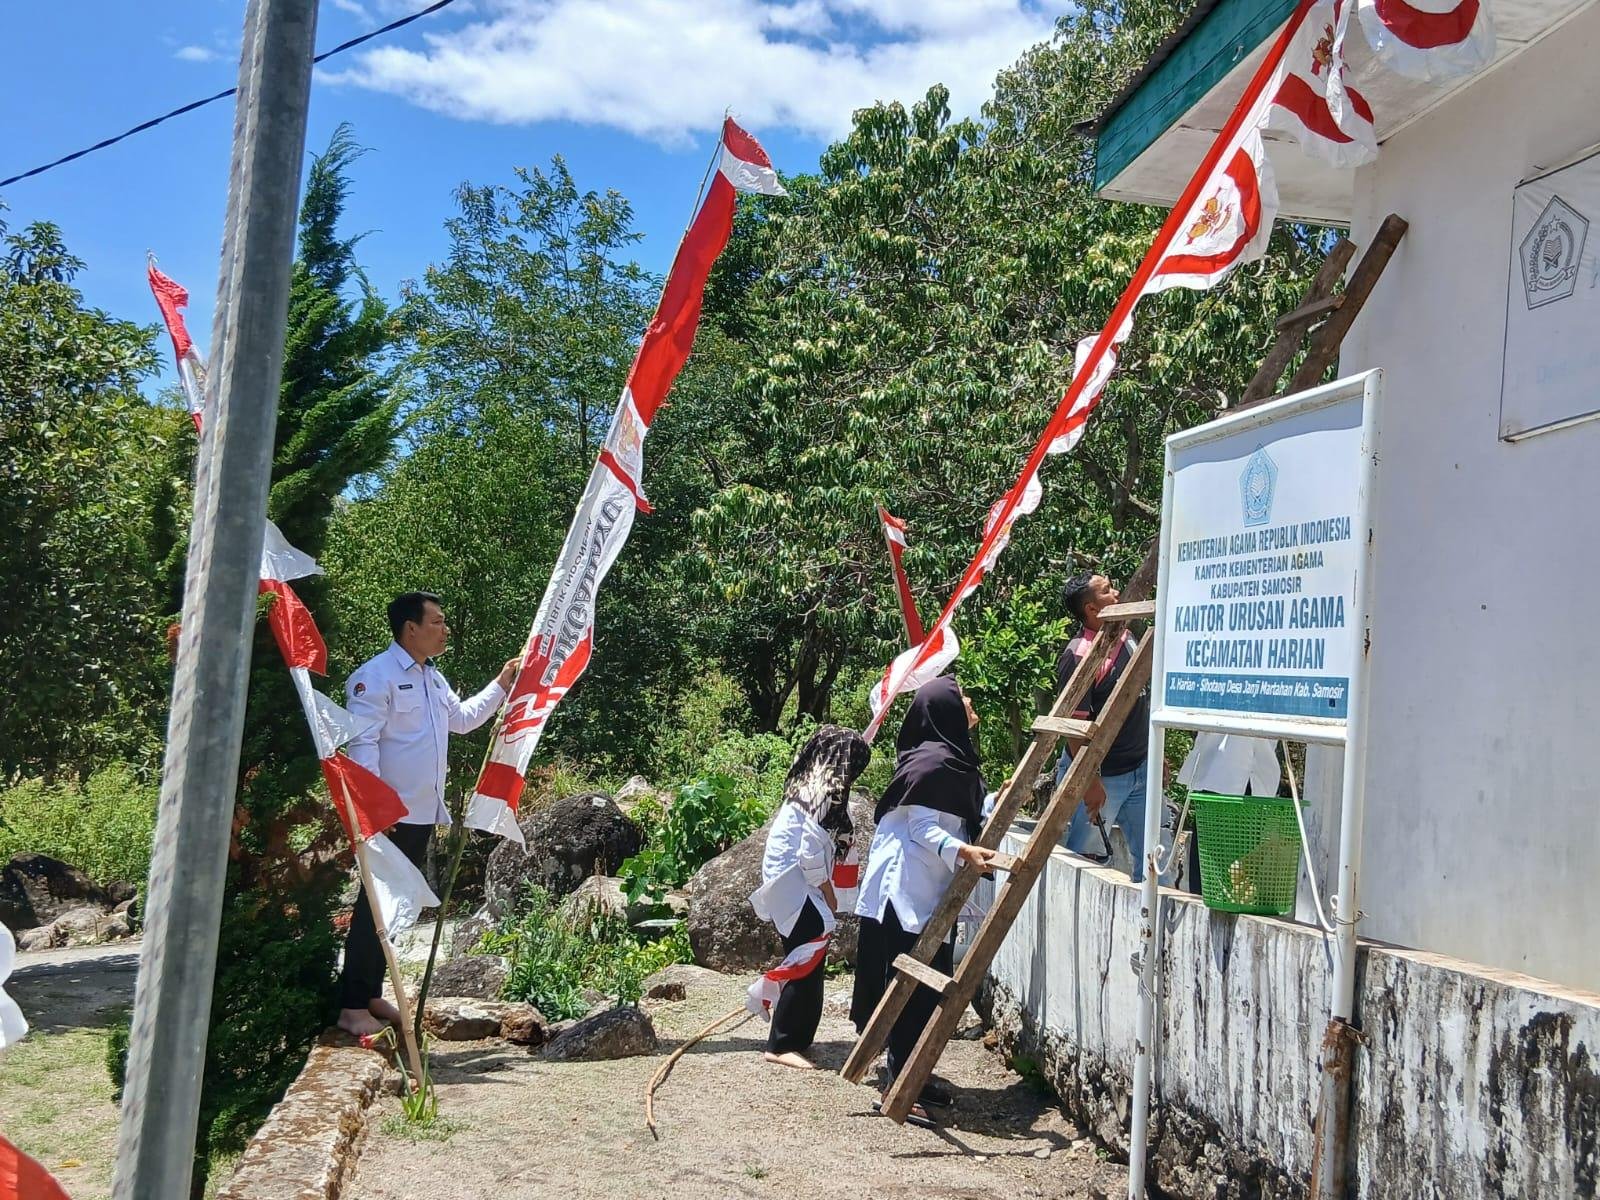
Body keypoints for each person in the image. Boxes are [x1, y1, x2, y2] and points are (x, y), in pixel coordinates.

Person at [336, 591, 519, 1039]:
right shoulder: (374, 677)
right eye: (437, 621)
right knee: (375, 907)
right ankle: (351, 1005)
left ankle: (372, 991)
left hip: (419, 813)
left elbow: (461, 720)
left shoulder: (432, 678)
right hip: (390, 816)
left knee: (396, 908)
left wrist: (502, 683)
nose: (445, 629)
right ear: (410, 628)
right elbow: (362, 748)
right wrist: (375, 811)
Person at [851, 676, 995, 1128]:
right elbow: (922, 829)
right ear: (945, 709)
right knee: (912, 988)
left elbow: (962, 817)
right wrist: (963, 852)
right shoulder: (931, 763)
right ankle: (899, 1081)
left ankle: (913, 1072)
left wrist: (997, 799)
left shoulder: (951, 760)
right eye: (963, 697)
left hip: (928, 889)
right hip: (904, 891)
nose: (970, 702)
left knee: (928, 985)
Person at [748, 725, 872, 1069]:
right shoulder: (825, 793)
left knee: (808, 955)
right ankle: (782, 1043)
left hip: (787, 876)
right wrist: (828, 891)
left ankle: (795, 1039)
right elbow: (809, 852)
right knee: (807, 954)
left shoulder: (806, 786)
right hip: (792, 878)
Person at [1054, 572, 1162, 882]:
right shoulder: (1078, 656)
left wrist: (1155, 756)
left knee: (1157, 866)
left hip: (1141, 771)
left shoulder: (1126, 636)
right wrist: (1088, 781)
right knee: (1087, 864)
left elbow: (1140, 700)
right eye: (1107, 591)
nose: (1116, 594)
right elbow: (1074, 726)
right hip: (1103, 779)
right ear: (1091, 608)